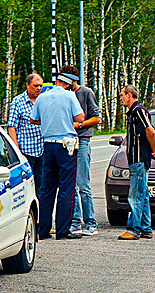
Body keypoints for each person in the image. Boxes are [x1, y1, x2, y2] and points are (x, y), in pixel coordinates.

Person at [30, 72, 85, 240]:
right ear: (68, 84)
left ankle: (43, 230)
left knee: (46, 190)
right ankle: (62, 230)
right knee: (66, 189)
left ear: (56, 82)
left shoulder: (42, 97)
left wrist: (47, 120)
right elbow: (80, 117)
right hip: (66, 145)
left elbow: (33, 120)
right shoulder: (69, 96)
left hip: (47, 145)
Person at [58, 65, 101, 236]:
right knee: (71, 185)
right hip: (67, 141)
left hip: (82, 140)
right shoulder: (63, 95)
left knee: (83, 184)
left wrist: (80, 124)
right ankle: (75, 221)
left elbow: (96, 117)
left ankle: (90, 222)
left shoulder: (85, 92)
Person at [117, 85, 155, 240]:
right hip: (137, 160)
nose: (120, 98)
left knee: (135, 195)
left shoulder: (138, 111)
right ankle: (146, 228)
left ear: (130, 95)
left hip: (138, 159)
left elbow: (150, 131)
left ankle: (134, 229)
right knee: (143, 195)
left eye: (122, 95)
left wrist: (154, 151)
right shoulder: (133, 112)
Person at [8, 73, 44, 196]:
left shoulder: (44, 100)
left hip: (42, 150)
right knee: (27, 187)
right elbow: (12, 126)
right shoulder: (18, 101)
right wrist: (16, 149)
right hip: (26, 151)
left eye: (40, 86)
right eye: (35, 86)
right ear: (28, 85)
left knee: (42, 187)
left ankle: (42, 213)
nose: (38, 88)